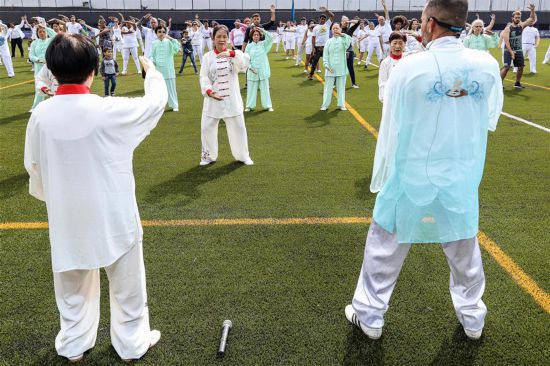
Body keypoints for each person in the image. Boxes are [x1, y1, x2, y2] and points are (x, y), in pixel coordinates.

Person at [345, 0, 503, 342]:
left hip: (412, 171)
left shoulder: (410, 68)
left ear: (430, 23)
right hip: (461, 172)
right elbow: (490, 119)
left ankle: (370, 314)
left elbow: (391, 127)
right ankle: (472, 317)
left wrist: (383, 175)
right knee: (463, 246)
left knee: (384, 242)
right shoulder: (486, 65)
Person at [24, 32, 167, 363]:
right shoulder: (108, 109)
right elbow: (155, 104)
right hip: (114, 213)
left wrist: (57, 197)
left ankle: (75, 345)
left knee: (72, 288)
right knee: (128, 286)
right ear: (93, 69)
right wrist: (153, 73)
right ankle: (131, 343)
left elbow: (33, 168)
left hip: (67, 214)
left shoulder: (41, 116)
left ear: (53, 69)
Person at [199, 25, 253, 166]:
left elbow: (244, 64)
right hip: (213, 99)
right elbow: (204, 76)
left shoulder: (234, 54)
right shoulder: (207, 57)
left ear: (228, 39)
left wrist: (232, 54)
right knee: (207, 128)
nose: (221, 39)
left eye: (224, 36)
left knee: (239, 128)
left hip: (231, 99)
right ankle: (208, 157)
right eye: (218, 36)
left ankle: (243, 156)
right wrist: (209, 91)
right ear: (213, 38)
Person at [500, 4, 537, 88]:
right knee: (506, 68)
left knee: (521, 67)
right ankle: (499, 83)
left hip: (519, 49)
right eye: (516, 17)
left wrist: (532, 10)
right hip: (508, 50)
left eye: (519, 17)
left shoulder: (521, 26)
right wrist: (511, 52)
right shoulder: (508, 28)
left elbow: (532, 19)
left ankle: (517, 83)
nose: (517, 19)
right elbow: (506, 41)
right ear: (512, 18)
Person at [320, 23, 352, 111]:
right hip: (330, 69)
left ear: (340, 29)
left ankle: (341, 104)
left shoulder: (344, 40)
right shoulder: (328, 41)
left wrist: (342, 35)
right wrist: (326, 65)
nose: (335, 30)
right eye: (333, 28)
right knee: (327, 88)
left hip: (341, 68)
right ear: (331, 30)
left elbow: (349, 40)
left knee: (341, 88)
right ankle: (325, 105)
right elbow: (325, 55)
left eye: (337, 28)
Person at [151, 25, 181, 112]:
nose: (161, 33)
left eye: (163, 32)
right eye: (159, 32)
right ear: (156, 33)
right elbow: (151, 55)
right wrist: (152, 61)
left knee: (171, 89)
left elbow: (176, 48)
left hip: (168, 69)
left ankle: (174, 105)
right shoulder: (154, 43)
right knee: (158, 89)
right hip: (158, 70)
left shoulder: (169, 42)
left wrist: (170, 38)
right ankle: (159, 106)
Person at [29, 23, 56, 112]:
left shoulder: (50, 40)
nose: (42, 33)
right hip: (38, 67)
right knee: (39, 88)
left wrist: (46, 27)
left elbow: (55, 35)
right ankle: (36, 108)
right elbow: (31, 55)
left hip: (50, 67)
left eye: (43, 31)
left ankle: (55, 106)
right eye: (40, 32)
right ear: (37, 33)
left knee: (54, 88)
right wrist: (38, 60)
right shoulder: (34, 43)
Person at [245, 27, 274, 112]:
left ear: (260, 36)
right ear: (252, 36)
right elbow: (246, 59)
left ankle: (268, 106)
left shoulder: (263, 44)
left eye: (257, 35)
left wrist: (262, 30)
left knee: (265, 89)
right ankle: (249, 106)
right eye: (254, 35)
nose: (256, 36)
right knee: (251, 90)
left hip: (263, 71)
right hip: (252, 72)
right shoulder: (249, 46)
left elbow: (271, 37)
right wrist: (250, 68)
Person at [378, 32, 406, 102]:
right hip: (392, 98)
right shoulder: (385, 63)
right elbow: (382, 82)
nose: (397, 46)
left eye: (400, 43)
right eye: (395, 43)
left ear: (404, 44)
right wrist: (384, 99)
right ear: (390, 44)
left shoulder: (408, 59)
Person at [308, 7, 335, 80]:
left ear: (325, 20)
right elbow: (313, 38)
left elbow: (332, 16)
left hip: (326, 47)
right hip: (317, 48)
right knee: (315, 62)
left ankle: (330, 74)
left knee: (329, 62)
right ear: (319, 19)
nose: (322, 20)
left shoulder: (327, 25)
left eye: (324, 19)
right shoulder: (315, 28)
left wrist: (326, 10)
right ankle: (311, 75)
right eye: (321, 18)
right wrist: (313, 48)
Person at [341, 16, 360, 88]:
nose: (346, 23)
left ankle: (354, 83)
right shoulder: (338, 30)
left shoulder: (350, 30)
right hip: (341, 52)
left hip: (349, 51)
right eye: (344, 21)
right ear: (341, 22)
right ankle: (334, 83)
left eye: (347, 21)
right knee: (338, 67)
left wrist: (349, 21)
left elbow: (358, 22)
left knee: (350, 68)